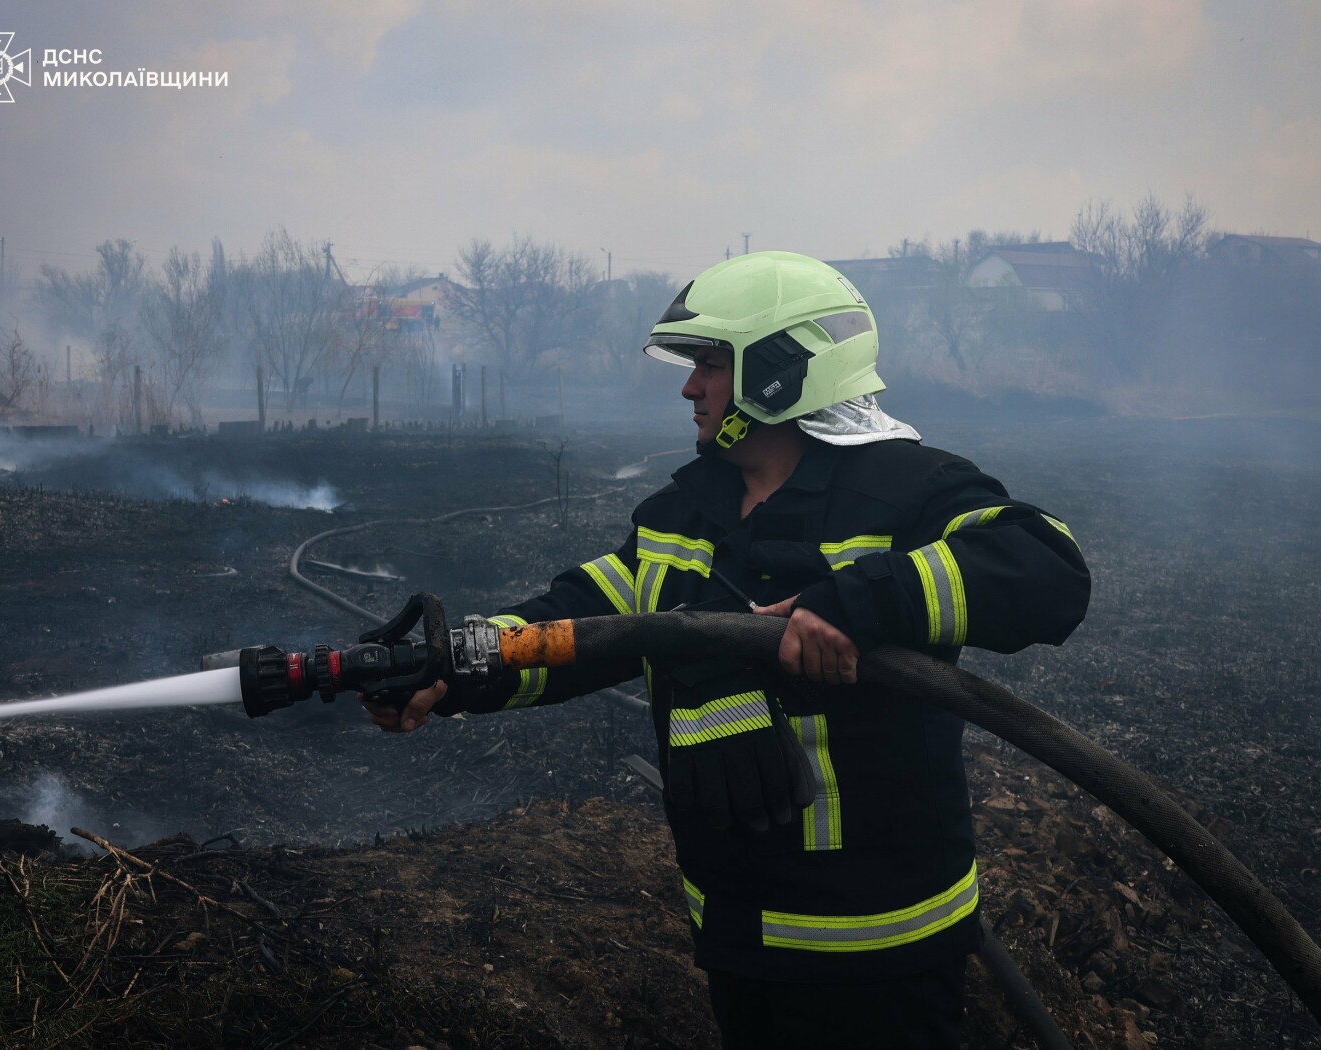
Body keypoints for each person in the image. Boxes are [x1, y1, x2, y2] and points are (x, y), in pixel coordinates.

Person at [365, 251, 1090, 1048]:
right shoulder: (685, 509)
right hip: (737, 932)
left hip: (878, 951)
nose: (690, 387)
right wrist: (456, 667)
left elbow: (1046, 567)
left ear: (779, 373)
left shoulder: (907, 491)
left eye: (711, 363)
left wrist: (859, 605)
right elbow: (582, 621)